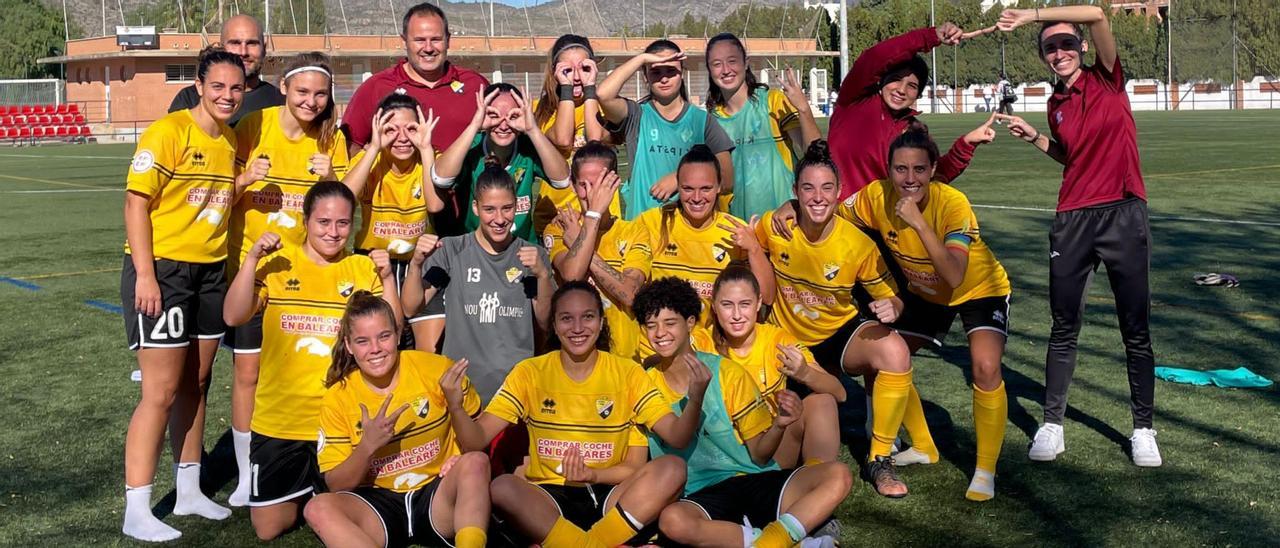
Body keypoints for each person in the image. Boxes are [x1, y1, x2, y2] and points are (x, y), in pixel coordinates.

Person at [994, 5, 1160, 467]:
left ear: (1083, 47)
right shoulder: (1054, 105)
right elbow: (1073, 158)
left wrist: (1031, 15)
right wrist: (1035, 138)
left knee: (1135, 330)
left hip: (1124, 213)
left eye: (1067, 43)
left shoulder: (1107, 78)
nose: (1060, 51)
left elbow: (1099, 13)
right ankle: (1052, 425)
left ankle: (1143, 429)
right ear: (1044, 57)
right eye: (1051, 46)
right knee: (1064, 324)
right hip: (1072, 218)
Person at [445, 282, 705, 547]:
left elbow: (678, 437)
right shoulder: (529, 372)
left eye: (588, 317)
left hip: (612, 496)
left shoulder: (628, 372)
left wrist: (695, 398)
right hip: (549, 498)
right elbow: (475, 441)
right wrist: (455, 406)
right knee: (503, 488)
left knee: (672, 468)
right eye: (567, 319)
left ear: (602, 322)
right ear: (555, 326)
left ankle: (587, 542)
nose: (578, 328)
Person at [223, 181, 401, 539]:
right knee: (269, 528)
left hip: (339, 419)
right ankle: (314, 492)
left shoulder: (360, 268)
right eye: (323, 222)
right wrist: (252, 259)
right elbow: (233, 315)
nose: (333, 232)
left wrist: (386, 277)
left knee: (360, 509)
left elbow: (392, 329)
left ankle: (322, 492)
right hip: (282, 420)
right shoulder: (279, 262)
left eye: (343, 223)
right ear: (305, 220)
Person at [120, 46, 245, 542]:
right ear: (198, 85)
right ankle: (137, 507)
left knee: (198, 381)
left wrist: (242, 183)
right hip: (164, 272)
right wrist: (147, 276)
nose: (228, 96)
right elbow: (135, 204)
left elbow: (212, 201)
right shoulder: (168, 132)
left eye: (235, 88)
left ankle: (190, 489)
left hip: (209, 273)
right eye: (218, 86)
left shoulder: (229, 139)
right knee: (161, 392)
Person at [848, 129, 1012, 501]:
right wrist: (789, 211)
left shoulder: (952, 204)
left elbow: (954, 275)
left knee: (985, 366)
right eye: (900, 169)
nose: (909, 179)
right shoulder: (875, 196)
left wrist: (919, 223)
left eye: (919, 169)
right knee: (885, 357)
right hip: (925, 291)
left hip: (977, 288)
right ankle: (923, 446)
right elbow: (835, 214)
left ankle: (985, 470)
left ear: (934, 169)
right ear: (888, 170)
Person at [633, 277, 851, 547]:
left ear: (690, 323)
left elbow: (760, 454)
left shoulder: (727, 372)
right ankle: (788, 537)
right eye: (651, 325)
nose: (659, 333)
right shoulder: (642, 380)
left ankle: (770, 542)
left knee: (838, 474)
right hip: (702, 494)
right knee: (673, 520)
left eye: (669, 323)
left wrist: (780, 424)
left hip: (753, 478)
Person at [754, 140, 918, 498]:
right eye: (808, 188)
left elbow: (893, 298)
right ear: (795, 192)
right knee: (784, 443)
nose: (818, 197)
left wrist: (894, 307)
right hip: (786, 342)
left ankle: (880, 457)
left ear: (839, 192)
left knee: (894, 351)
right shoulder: (775, 226)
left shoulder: (857, 244)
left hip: (836, 335)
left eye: (827, 188)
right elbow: (744, 251)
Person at [222, 51, 350, 507]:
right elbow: (222, 195)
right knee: (248, 373)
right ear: (283, 89)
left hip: (309, 276)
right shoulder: (253, 127)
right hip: (257, 272)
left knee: (307, 369)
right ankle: (245, 473)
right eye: (302, 92)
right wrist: (243, 180)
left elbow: (339, 203)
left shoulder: (332, 138)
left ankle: (318, 457)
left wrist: (333, 173)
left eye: (320, 93)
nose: (312, 101)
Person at [303, 291, 490, 548]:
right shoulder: (338, 397)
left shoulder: (437, 370)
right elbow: (336, 485)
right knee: (317, 508)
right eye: (362, 341)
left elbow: (478, 443)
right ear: (348, 345)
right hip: (378, 503)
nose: (376, 349)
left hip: (436, 494)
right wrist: (368, 446)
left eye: (384, 336)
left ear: (398, 334)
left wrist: (456, 417)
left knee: (476, 462)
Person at [402, 161, 555, 401]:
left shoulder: (531, 255)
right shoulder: (452, 250)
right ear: (475, 208)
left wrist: (543, 276)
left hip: (514, 392)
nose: (500, 218)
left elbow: (546, 322)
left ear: (517, 207)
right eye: (490, 209)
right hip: (463, 391)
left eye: (507, 208)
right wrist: (416, 264)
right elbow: (411, 306)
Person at [826, 23, 993, 200]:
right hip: (836, 222)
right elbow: (874, 57)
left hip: (885, 224)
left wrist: (967, 144)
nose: (901, 90)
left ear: (918, 94)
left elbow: (933, 177)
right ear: (882, 81)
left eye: (912, 86)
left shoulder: (915, 130)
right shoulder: (854, 101)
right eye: (895, 80)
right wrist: (930, 36)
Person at [709, 264, 845, 469]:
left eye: (745, 304)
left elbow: (840, 393)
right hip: (721, 456)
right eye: (727, 305)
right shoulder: (700, 342)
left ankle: (815, 478)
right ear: (714, 306)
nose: (736, 315)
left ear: (758, 304)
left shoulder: (776, 340)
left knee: (822, 401)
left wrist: (804, 373)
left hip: (770, 447)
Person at [342, 93, 444, 351]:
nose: (401, 137)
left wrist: (425, 148)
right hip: (373, 261)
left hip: (418, 262)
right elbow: (343, 200)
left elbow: (434, 205)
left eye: (411, 128)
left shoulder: (431, 157)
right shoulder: (370, 161)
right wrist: (374, 147)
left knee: (426, 351)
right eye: (391, 129)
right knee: (382, 342)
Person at [636, 145, 774, 328]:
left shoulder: (735, 231)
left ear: (719, 187)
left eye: (706, 188)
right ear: (677, 185)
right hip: (663, 342)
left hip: (713, 346)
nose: (697, 197)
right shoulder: (653, 223)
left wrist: (754, 249)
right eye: (688, 188)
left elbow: (768, 296)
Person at [596, 40, 736, 219]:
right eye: (655, 72)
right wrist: (642, 58)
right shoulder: (637, 115)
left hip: (687, 231)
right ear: (645, 76)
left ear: (682, 73)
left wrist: (680, 178)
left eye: (671, 71)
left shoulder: (702, 121)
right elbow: (603, 94)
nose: (663, 78)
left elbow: (727, 179)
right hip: (642, 229)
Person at [544, 142, 652, 363]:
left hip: (625, 361)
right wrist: (593, 216)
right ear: (573, 186)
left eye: (599, 184)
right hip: (575, 361)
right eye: (583, 185)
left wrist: (578, 242)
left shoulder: (634, 231)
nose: (590, 193)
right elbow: (572, 275)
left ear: (615, 183)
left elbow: (630, 294)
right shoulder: (560, 227)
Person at [341, 2, 488, 156]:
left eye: (436, 39)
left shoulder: (475, 84)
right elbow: (349, 146)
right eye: (419, 40)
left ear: (448, 40)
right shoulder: (376, 87)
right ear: (404, 41)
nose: (429, 48)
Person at [431, 84, 571, 242]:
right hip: (475, 250)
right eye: (494, 115)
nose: (503, 125)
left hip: (521, 247)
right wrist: (474, 126)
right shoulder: (472, 146)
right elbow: (440, 178)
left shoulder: (528, 146)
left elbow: (562, 180)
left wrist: (532, 130)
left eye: (513, 116)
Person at [704, 32, 820, 219]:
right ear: (709, 70)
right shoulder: (711, 120)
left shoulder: (772, 102)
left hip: (783, 222)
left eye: (732, 61)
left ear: (746, 62)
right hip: (738, 229)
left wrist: (804, 109)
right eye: (717, 64)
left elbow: (814, 153)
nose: (725, 70)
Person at [531, 34, 621, 234]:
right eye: (568, 70)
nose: (577, 76)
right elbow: (563, 140)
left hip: (602, 215)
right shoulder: (542, 110)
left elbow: (594, 138)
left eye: (584, 67)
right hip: (556, 216)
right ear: (555, 72)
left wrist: (591, 88)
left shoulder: (607, 106)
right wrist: (566, 89)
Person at [169, 15, 281, 126]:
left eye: (252, 43)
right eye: (235, 43)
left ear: (264, 49)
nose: (243, 52)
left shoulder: (280, 101)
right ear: (222, 47)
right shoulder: (190, 99)